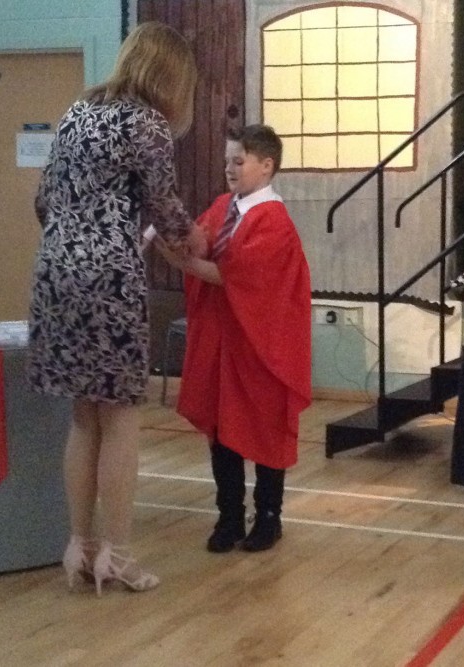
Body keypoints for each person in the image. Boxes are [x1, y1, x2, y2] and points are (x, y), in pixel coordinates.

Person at [28, 22, 205, 594]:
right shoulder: (146, 123)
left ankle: (79, 546)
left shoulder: (77, 113)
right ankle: (119, 555)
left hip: (55, 274)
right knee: (122, 419)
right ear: (170, 75)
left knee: (84, 417)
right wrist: (192, 238)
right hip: (107, 280)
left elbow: (42, 200)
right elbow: (164, 205)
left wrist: (74, 234)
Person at [162, 125, 313, 553]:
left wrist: (184, 262)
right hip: (222, 338)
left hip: (260, 343)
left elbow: (231, 275)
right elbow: (201, 241)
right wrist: (173, 235)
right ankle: (228, 516)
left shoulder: (274, 221)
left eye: (238, 161)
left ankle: (268, 516)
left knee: (264, 429)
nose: (229, 168)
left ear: (266, 166)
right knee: (220, 428)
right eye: (227, 160)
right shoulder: (223, 206)